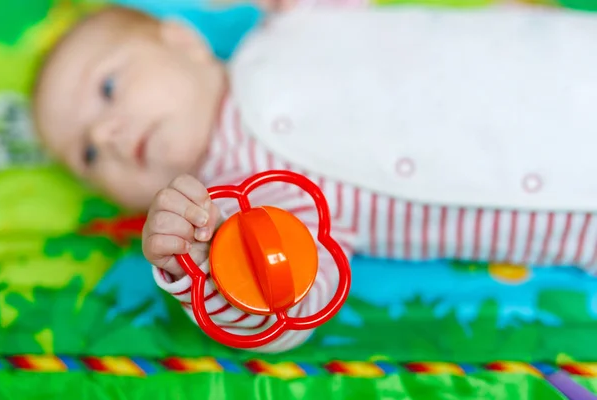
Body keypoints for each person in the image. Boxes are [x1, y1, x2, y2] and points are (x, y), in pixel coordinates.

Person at [32, 3, 597, 352]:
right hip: (576, 204)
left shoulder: (288, 24)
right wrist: (209, 268)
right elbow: (293, 306)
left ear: (184, 41)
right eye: (85, 154)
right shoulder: (249, 200)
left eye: (108, 88)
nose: (105, 134)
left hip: (560, 56)